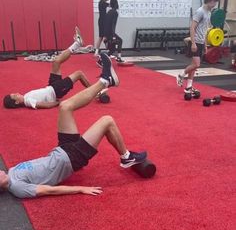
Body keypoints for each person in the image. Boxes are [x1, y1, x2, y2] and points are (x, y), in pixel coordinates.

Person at [0, 54, 147, 199]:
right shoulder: (17, 187)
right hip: (70, 159)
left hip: (61, 150)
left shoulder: (12, 171)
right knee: (106, 120)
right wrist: (80, 189)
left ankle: (107, 81)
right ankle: (126, 157)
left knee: (65, 106)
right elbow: (48, 190)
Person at [3, 28, 91, 110]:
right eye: (15, 95)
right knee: (79, 74)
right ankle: (97, 92)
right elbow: (42, 105)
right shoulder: (27, 102)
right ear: (17, 102)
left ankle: (77, 44)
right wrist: (57, 103)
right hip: (56, 90)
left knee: (56, 62)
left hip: (51, 86)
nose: (17, 93)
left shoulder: (26, 97)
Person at [177, 0, 219, 97]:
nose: (216, 4)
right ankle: (181, 75)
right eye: (215, 2)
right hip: (195, 41)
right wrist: (193, 43)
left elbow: (204, 30)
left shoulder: (208, 13)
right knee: (197, 64)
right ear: (211, 0)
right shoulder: (200, 11)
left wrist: (205, 44)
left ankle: (188, 87)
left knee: (193, 66)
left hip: (201, 42)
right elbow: (192, 27)